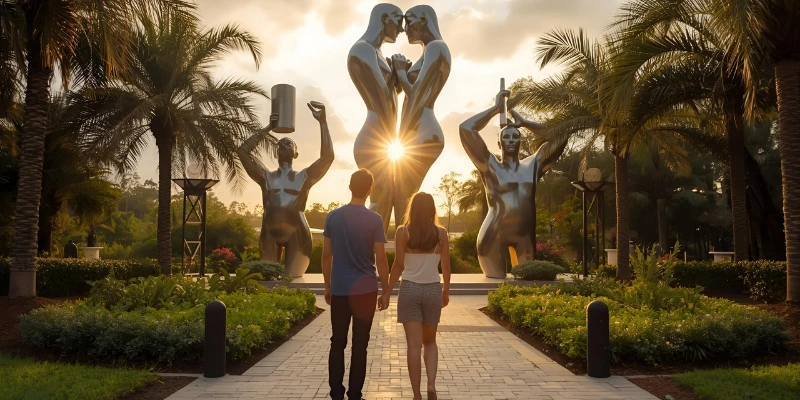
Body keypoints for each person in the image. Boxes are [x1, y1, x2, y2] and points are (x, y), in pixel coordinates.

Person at [459, 89, 569, 278]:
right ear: (499, 144)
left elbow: (560, 136)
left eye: (516, 137)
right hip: (493, 236)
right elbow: (465, 129)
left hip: (525, 237)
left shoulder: (533, 165)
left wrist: (525, 123)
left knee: (528, 284)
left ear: (521, 141)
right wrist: (494, 109)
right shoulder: (490, 165)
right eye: (507, 137)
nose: (511, 140)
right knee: (495, 284)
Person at [237, 101, 333, 277]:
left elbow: (327, 157)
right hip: (269, 232)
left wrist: (322, 122)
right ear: (275, 153)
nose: (283, 145)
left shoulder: (304, 177)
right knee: (268, 279)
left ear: (296, 153)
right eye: (280, 144)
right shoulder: (265, 176)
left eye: (289, 143)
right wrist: (267, 129)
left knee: (294, 278)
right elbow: (243, 151)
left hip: (297, 233)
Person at [322, 168, 391, 400]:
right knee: (360, 345)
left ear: (350, 187)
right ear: (369, 189)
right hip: (366, 291)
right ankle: (354, 395)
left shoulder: (333, 216)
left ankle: (336, 393)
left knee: (337, 342)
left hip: (340, 289)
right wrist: (386, 291)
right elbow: (381, 258)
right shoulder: (374, 219)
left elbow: (326, 255)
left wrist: (328, 286)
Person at [382, 192, 451, 400]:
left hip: (409, 289)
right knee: (429, 342)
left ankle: (416, 395)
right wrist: (445, 291)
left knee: (413, 345)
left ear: (412, 209)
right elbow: (446, 266)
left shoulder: (403, 232)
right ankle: (431, 384)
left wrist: (386, 292)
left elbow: (398, 265)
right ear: (432, 209)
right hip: (432, 290)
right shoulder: (441, 233)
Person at [390, 5, 451, 225]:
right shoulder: (431, 50)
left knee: (403, 197)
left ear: (424, 20)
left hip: (423, 130)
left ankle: (410, 247)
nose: (405, 30)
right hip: (417, 130)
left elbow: (417, 95)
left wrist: (399, 71)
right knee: (401, 193)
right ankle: (408, 247)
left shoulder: (436, 47)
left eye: (410, 22)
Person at [347, 3, 405, 232]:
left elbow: (388, 94)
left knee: (386, 201)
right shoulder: (362, 50)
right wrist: (398, 72)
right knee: (378, 201)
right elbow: (380, 99)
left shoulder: (377, 53)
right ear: (384, 18)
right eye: (398, 21)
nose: (401, 29)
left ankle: (368, 256)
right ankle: (357, 248)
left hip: (386, 140)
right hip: (374, 138)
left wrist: (397, 79)